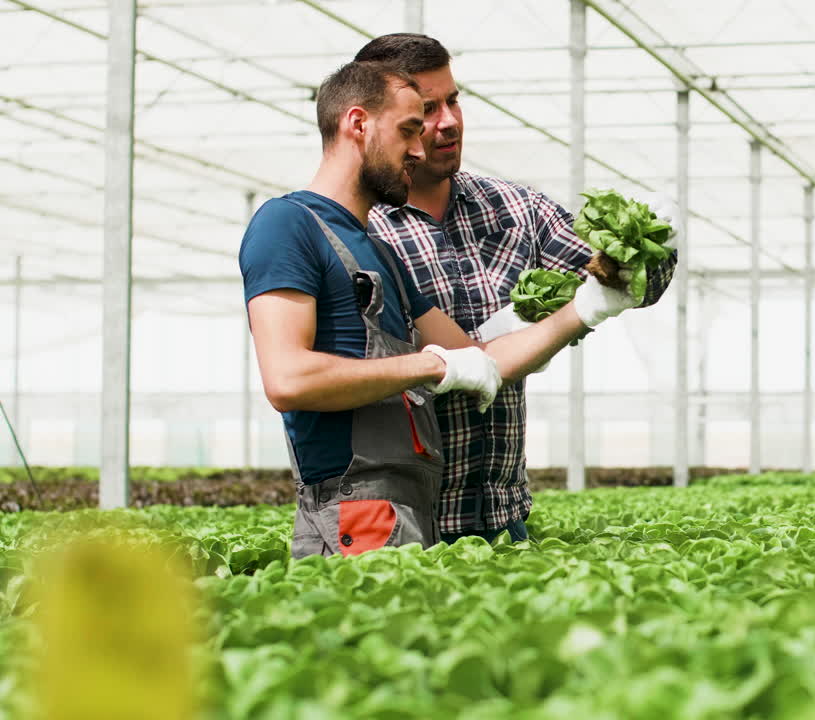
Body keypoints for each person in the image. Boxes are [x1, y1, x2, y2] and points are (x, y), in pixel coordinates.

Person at [239, 60, 640, 558]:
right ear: (358, 123)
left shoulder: (375, 249)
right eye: (410, 128)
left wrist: (588, 307)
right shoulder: (287, 224)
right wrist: (432, 365)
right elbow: (289, 379)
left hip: (409, 502)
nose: (418, 147)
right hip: (354, 504)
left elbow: (480, 359)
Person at [354, 34, 679, 544]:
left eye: (453, 101)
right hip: (404, 529)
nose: (448, 122)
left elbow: (626, 278)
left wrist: (643, 256)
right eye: (426, 109)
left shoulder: (516, 209)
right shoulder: (361, 230)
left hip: (505, 521)